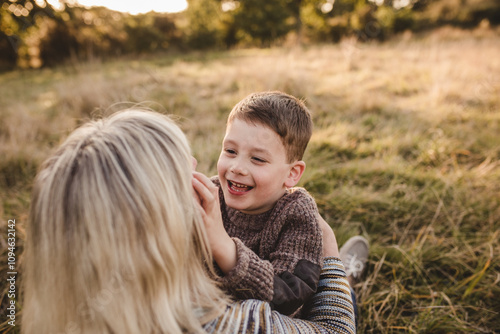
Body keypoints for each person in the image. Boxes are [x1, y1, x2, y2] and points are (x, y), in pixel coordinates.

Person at [22, 109, 356, 334]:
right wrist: (330, 260)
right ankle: (350, 274)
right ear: (151, 228)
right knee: (340, 289)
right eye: (182, 173)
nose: (200, 170)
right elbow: (335, 329)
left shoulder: (60, 310)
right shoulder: (230, 322)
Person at [196, 91, 323, 316]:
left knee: (338, 298)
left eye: (257, 159)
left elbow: (289, 296)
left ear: (292, 174)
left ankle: (346, 282)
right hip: (215, 317)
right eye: (230, 151)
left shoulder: (296, 214)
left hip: (274, 326)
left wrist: (224, 248)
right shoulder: (211, 195)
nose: (237, 167)